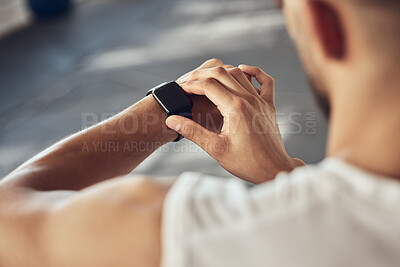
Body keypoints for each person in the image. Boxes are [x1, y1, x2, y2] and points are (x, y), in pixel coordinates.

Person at [1, 0, 400, 266]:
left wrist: (166, 106)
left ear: (321, 21)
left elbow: (8, 218)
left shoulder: (201, 232)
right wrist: (284, 173)